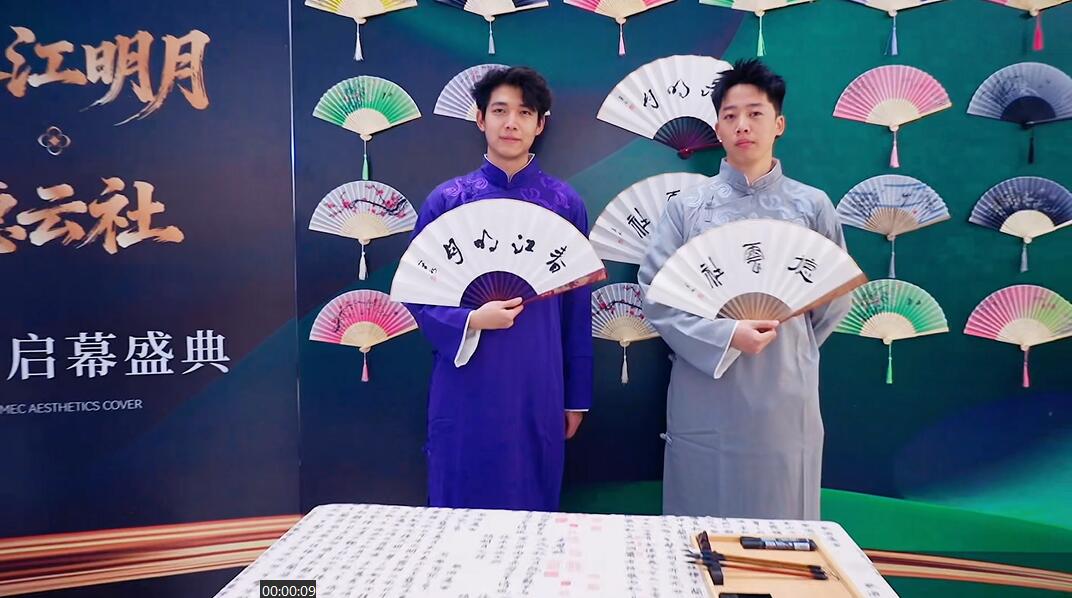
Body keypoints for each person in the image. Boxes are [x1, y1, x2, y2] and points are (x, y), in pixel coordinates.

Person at [637, 58, 851, 519]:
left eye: (755, 113)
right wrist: (726, 335)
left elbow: (834, 296)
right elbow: (656, 293)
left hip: (785, 385)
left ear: (779, 124)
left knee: (784, 512)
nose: (742, 126)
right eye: (730, 115)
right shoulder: (687, 208)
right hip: (705, 383)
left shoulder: (812, 206)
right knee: (702, 513)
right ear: (717, 128)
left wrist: (791, 342)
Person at [407, 67, 592, 511]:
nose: (511, 123)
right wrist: (471, 319)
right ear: (480, 119)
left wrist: (576, 397)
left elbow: (577, 308)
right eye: (500, 111)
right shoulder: (447, 201)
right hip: (466, 377)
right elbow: (417, 292)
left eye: (524, 113)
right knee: (460, 491)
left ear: (540, 124)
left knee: (530, 493)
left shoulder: (565, 204)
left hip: (538, 379)